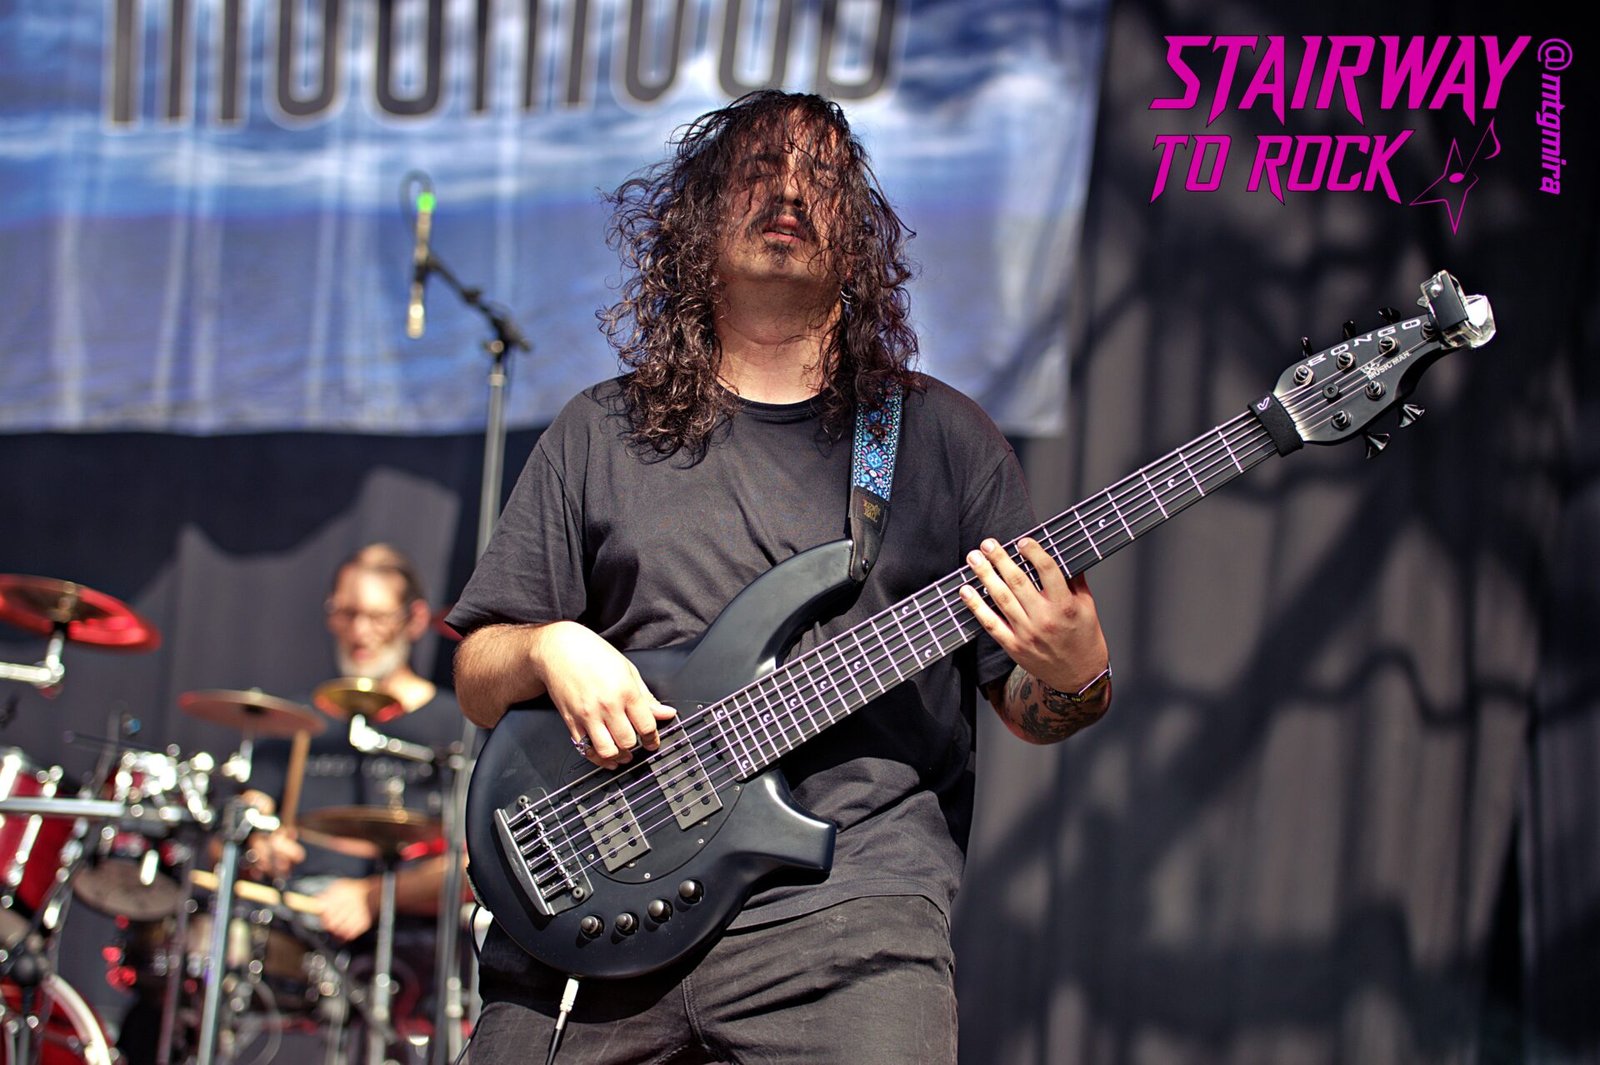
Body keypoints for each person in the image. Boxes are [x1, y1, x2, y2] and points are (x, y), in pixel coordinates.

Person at [445, 90, 1112, 1064]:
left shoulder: (943, 442)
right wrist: (550, 646)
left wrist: (1076, 673)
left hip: (848, 918)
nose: (790, 191)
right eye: (759, 170)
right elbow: (477, 676)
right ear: (698, 220)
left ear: (860, 235)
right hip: (598, 912)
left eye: (822, 177)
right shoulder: (599, 431)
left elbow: (1030, 705)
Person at [243, 543, 461, 1017]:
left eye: (376, 617)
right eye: (346, 614)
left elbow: (475, 866)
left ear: (415, 619)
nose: (360, 632)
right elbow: (245, 819)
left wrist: (374, 897)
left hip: (413, 955)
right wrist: (258, 845)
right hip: (289, 936)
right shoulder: (295, 722)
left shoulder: (456, 726)